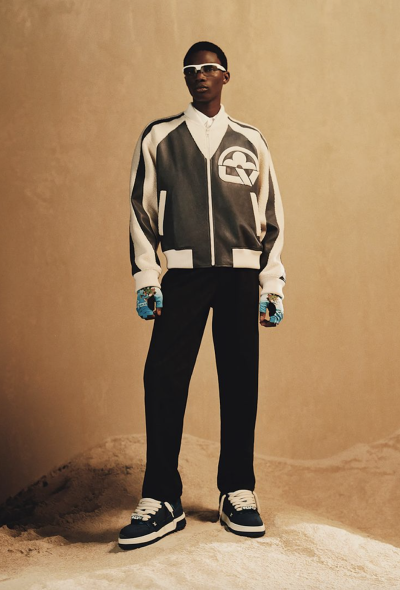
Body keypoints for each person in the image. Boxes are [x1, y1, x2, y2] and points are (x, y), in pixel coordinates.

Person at [118, 41, 285, 551]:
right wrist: (147, 277)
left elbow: (270, 215)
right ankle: (161, 497)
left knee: (239, 380)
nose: (200, 75)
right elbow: (141, 211)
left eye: (209, 68)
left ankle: (237, 490)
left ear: (225, 76)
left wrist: (272, 284)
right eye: (191, 68)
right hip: (185, 274)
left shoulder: (250, 140)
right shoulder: (159, 137)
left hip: (240, 275)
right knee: (162, 378)